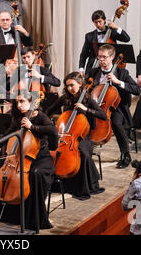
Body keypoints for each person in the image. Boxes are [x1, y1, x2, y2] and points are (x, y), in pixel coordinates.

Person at [0, 90, 57, 232]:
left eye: (23, 102)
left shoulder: (39, 116)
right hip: (16, 157)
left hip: (39, 157)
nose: (19, 105)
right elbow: (8, 134)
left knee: (35, 174)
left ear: (31, 102)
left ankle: (32, 219)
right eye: (17, 102)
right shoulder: (17, 117)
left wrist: (32, 127)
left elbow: (53, 131)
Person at [45, 72, 106, 200]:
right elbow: (49, 111)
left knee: (82, 152)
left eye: (72, 85)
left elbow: (103, 115)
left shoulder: (88, 99)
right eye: (67, 86)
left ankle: (84, 187)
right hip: (66, 134)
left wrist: (86, 109)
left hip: (82, 136)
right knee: (51, 148)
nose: (69, 88)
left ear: (80, 84)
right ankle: (60, 182)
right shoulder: (64, 98)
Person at [87, 44, 141, 168]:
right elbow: (88, 88)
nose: (101, 60)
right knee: (84, 119)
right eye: (99, 57)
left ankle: (126, 154)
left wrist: (118, 82)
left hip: (115, 107)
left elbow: (137, 90)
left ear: (112, 57)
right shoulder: (93, 72)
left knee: (116, 123)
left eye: (104, 57)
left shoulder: (122, 73)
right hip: (96, 105)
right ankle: (86, 151)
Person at [79, 10, 130, 76]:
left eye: (100, 21)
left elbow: (127, 39)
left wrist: (117, 27)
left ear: (104, 20)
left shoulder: (112, 32)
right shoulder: (89, 36)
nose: (98, 24)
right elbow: (84, 54)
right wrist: (81, 69)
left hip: (109, 68)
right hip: (93, 68)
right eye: (95, 22)